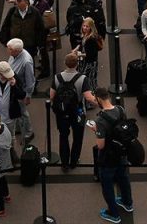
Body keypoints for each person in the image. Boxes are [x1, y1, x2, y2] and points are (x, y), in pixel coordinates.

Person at [91, 87, 134, 224]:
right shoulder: (121, 110)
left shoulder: (100, 120)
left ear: (98, 99)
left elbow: (100, 145)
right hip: (122, 153)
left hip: (108, 158)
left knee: (107, 185)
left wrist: (96, 130)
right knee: (123, 178)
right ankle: (127, 203)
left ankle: (113, 213)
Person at [50, 51, 96, 169]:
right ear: (76, 64)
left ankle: (64, 163)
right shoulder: (82, 78)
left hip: (62, 112)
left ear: (65, 63)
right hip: (77, 111)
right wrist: (99, 102)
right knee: (77, 137)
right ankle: (74, 161)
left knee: (63, 136)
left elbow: (52, 96)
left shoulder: (57, 77)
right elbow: (88, 97)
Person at [6, 39, 36, 143]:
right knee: (17, 109)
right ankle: (19, 127)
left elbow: (30, 80)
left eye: (10, 49)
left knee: (23, 112)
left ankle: (28, 132)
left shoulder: (26, 61)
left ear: (17, 51)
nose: (8, 51)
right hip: (14, 88)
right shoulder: (14, 55)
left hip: (21, 91)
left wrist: (27, 96)